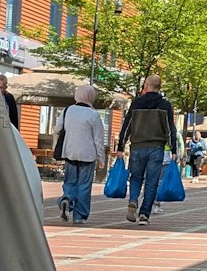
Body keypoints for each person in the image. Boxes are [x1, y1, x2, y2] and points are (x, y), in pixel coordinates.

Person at [115, 74, 176, 225]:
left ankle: (133, 200)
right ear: (159, 87)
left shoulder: (136, 104)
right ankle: (144, 214)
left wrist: (121, 147)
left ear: (146, 86)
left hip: (137, 146)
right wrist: (174, 149)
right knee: (152, 181)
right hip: (156, 147)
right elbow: (170, 129)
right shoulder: (165, 105)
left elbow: (127, 126)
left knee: (136, 177)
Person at [52, 84, 110, 224]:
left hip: (69, 151)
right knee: (84, 185)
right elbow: (98, 139)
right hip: (88, 155)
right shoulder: (94, 114)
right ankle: (79, 216)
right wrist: (101, 158)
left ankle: (67, 199)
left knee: (70, 180)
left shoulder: (68, 110)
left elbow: (57, 129)